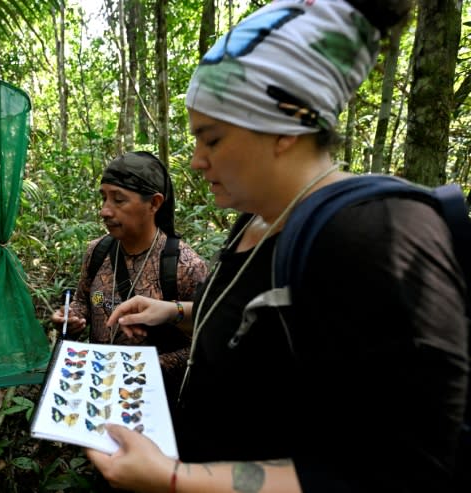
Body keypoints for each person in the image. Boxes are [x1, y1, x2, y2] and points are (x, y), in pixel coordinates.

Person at [85, 1, 468, 492]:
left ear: (283, 124)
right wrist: (176, 312)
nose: (198, 161)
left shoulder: (374, 236)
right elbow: (267, 325)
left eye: (213, 139)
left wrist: (176, 480)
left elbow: (403, 470)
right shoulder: (261, 216)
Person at [51, 151, 207, 400]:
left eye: (118, 200)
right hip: (99, 391)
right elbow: (86, 300)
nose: (104, 211)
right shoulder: (97, 251)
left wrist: (141, 369)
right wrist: (73, 316)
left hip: (156, 402)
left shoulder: (184, 266)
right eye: (103, 198)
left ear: (154, 204)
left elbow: (204, 346)